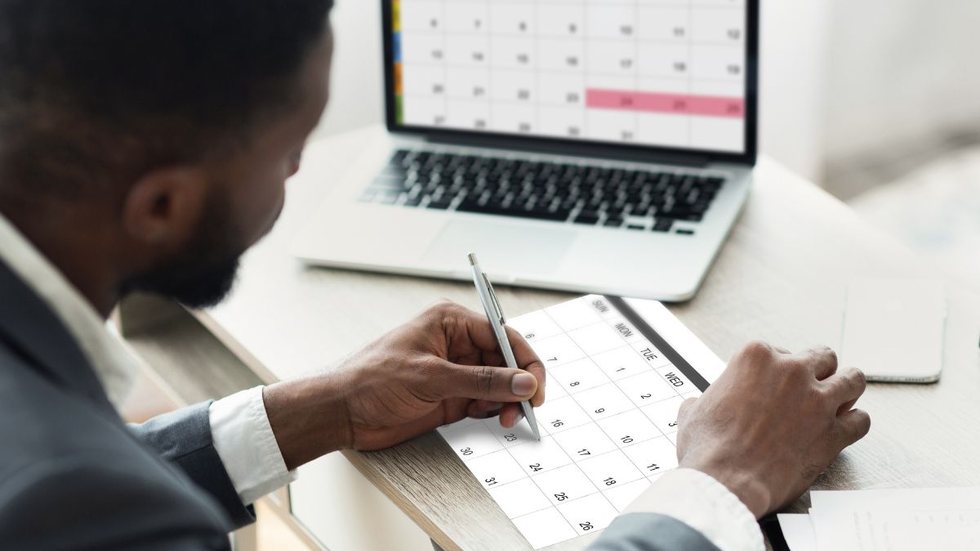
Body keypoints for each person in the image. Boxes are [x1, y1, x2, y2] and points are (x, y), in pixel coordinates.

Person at [0, 1, 871, 549]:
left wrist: (329, 403)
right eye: (288, 149)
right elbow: (84, 502)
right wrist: (721, 486)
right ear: (161, 207)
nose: (303, 170)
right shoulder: (97, 510)